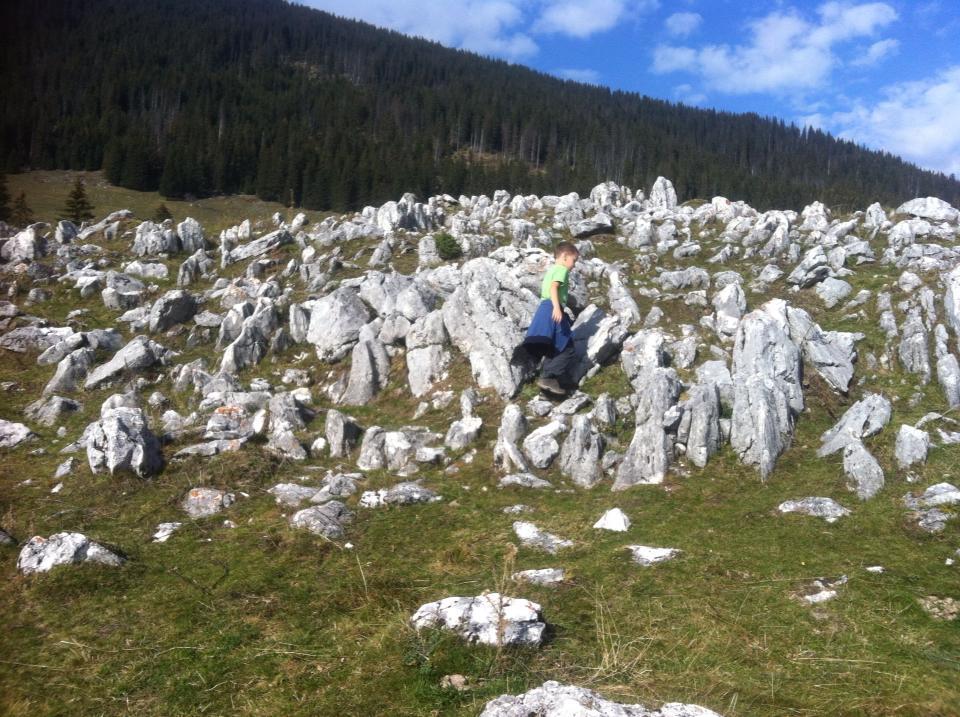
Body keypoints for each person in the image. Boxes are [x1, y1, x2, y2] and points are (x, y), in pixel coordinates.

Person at [520, 241, 579, 397]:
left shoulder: (552, 269)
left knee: (556, 344)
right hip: (553, 308)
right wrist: (557, 308)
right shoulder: (561, 270)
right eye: (574, 260)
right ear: (565, 256)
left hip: (545, 308)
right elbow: (554, 287)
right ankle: (548, 377)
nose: (574, 265)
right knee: (567, 346)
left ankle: (559, 378)